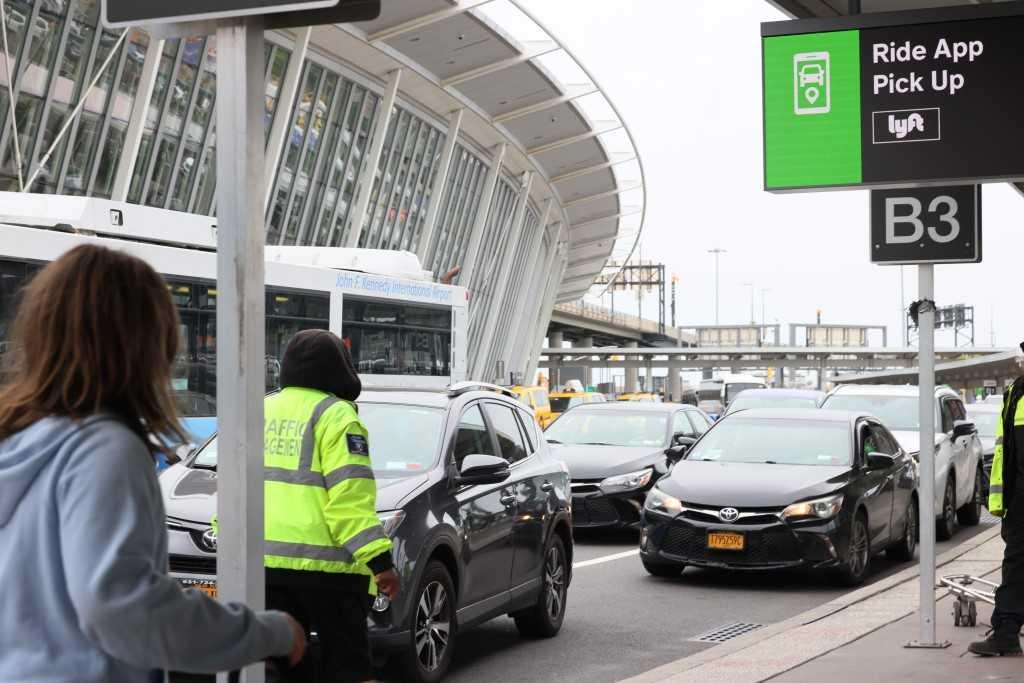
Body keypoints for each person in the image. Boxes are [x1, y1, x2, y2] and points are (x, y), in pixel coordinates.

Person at [0, 244, 306, 682]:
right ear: (145, 345)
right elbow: (123, 608)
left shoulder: (17, 439)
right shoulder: (105, 450)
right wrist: (267, 633)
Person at [264, 329, 400, 682]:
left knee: (277, 665)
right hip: (330, 574)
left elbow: (229, 486)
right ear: (341, 367)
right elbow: (348, 501)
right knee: (348, 667)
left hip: (263, 567)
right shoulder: (337, 416)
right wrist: (380, 562)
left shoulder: (258, 410)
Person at [970, 364, 1024, 657]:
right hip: (1018, 501)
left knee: (1016, 567)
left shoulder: (1018, 393)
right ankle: (1005, 631)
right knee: (1016, 567)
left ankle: (1006, 633)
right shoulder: (1016, 392)